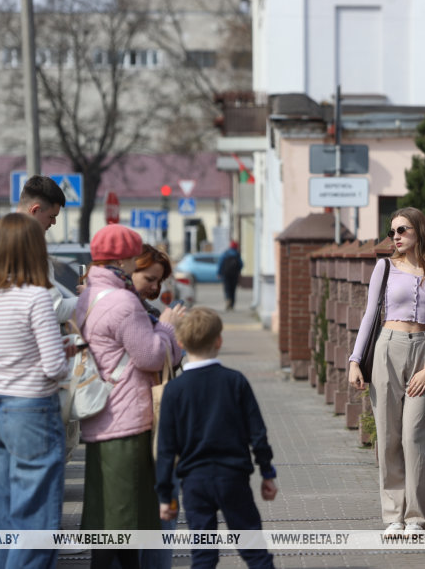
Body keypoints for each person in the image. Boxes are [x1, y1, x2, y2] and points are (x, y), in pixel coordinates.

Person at [76, 224, 184, 569]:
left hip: (102, 418)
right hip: (126, 421)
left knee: (110, 525)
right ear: (123, 258)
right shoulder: (123, 302)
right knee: (125, 524)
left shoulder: (89, 295)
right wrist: (167, 327)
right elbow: (151, 356)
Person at [0, 213, 74, 568]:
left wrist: (6, 359)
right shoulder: (37, 298)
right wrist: (62, 352)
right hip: (30, 410)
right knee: (36, 522)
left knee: (1, 518)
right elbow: (53, 367)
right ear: (33, 250)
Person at [347, 207, 425, 536]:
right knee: (389, 434)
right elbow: (368, 316)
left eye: (402, 230)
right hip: (387, 348)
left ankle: (417, 517)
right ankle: (394, 514)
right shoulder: (385, 267)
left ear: (419, 231)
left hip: (424, 348)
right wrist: (354, 360)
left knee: (416, 436)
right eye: (393, 231)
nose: (396, 236)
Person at [155, 307, 277, 569]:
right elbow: (257, 433)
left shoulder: (174, 390)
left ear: (180, 343)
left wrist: (165, 495)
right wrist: (267, 472)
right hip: (233, 477)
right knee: (254, 550)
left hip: (194, 482)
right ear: (219, 341)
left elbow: (166, 446)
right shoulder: (235, 382)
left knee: (203, 556)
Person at [130, 244, 181, 569]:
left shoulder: (143, 309)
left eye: (158, 281)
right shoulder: (131, 310)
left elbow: (171, 357)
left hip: (148, 416)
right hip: (140, 419)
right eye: (149, 278)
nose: (154, 287)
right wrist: (167, 327)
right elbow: (153, 357)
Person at [17, 174, 76, 323]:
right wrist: (93, 299)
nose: (54, 222)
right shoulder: (31, 248)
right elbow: (53, 310)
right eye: (51, 216)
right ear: (35, 210)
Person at [216, 240, 243, 310]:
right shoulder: (237, 254)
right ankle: (232, 304)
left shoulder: (226, 253)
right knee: (233, 289)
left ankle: (228, 299)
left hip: (226, 274)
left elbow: (220, 263)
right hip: (234, 275)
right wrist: (238, 271)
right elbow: (241, 264)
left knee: (227, 288)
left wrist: (219, 273)